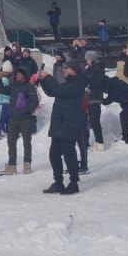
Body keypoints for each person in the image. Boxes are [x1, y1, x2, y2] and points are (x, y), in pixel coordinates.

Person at [40, 58, 86, 194]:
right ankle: (58, 182)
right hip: (60, 122)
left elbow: (59, 90)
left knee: (68, 153)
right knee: (54, 154)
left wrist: (48, 77)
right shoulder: (69, 83)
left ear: (74, 70)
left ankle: (74, 182)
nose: (64, 70)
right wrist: (43, 80)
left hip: (69, 122)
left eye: (67, 68)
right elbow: (52, 92)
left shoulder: (78, 83)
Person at [0, 67, 39, 175]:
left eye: (20, 74)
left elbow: (35, 102)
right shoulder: (13, 85)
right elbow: (3, 91)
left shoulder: (29, 87)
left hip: (25, 119)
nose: (17, 76)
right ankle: (12, 166)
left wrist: (24, 110)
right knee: (11, 142)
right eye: (16, 74)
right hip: (13, 119)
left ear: (24, 75)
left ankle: (27, 164)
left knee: (27, 142)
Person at [105, 62, 128, 147]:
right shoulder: (113, 83)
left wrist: (102, 100)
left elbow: (113, 97)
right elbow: (112, 97)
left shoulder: (113, 85)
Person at [83, 50, 107, 152]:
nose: (86, 61)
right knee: (90, 120)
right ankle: (95, 142)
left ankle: (100, 142)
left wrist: (89, 85)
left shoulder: (98, 68)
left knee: (94, 120)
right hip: (89, 97)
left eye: (87, 59)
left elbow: (98, 81)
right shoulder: (90, 68)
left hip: (95, 97)